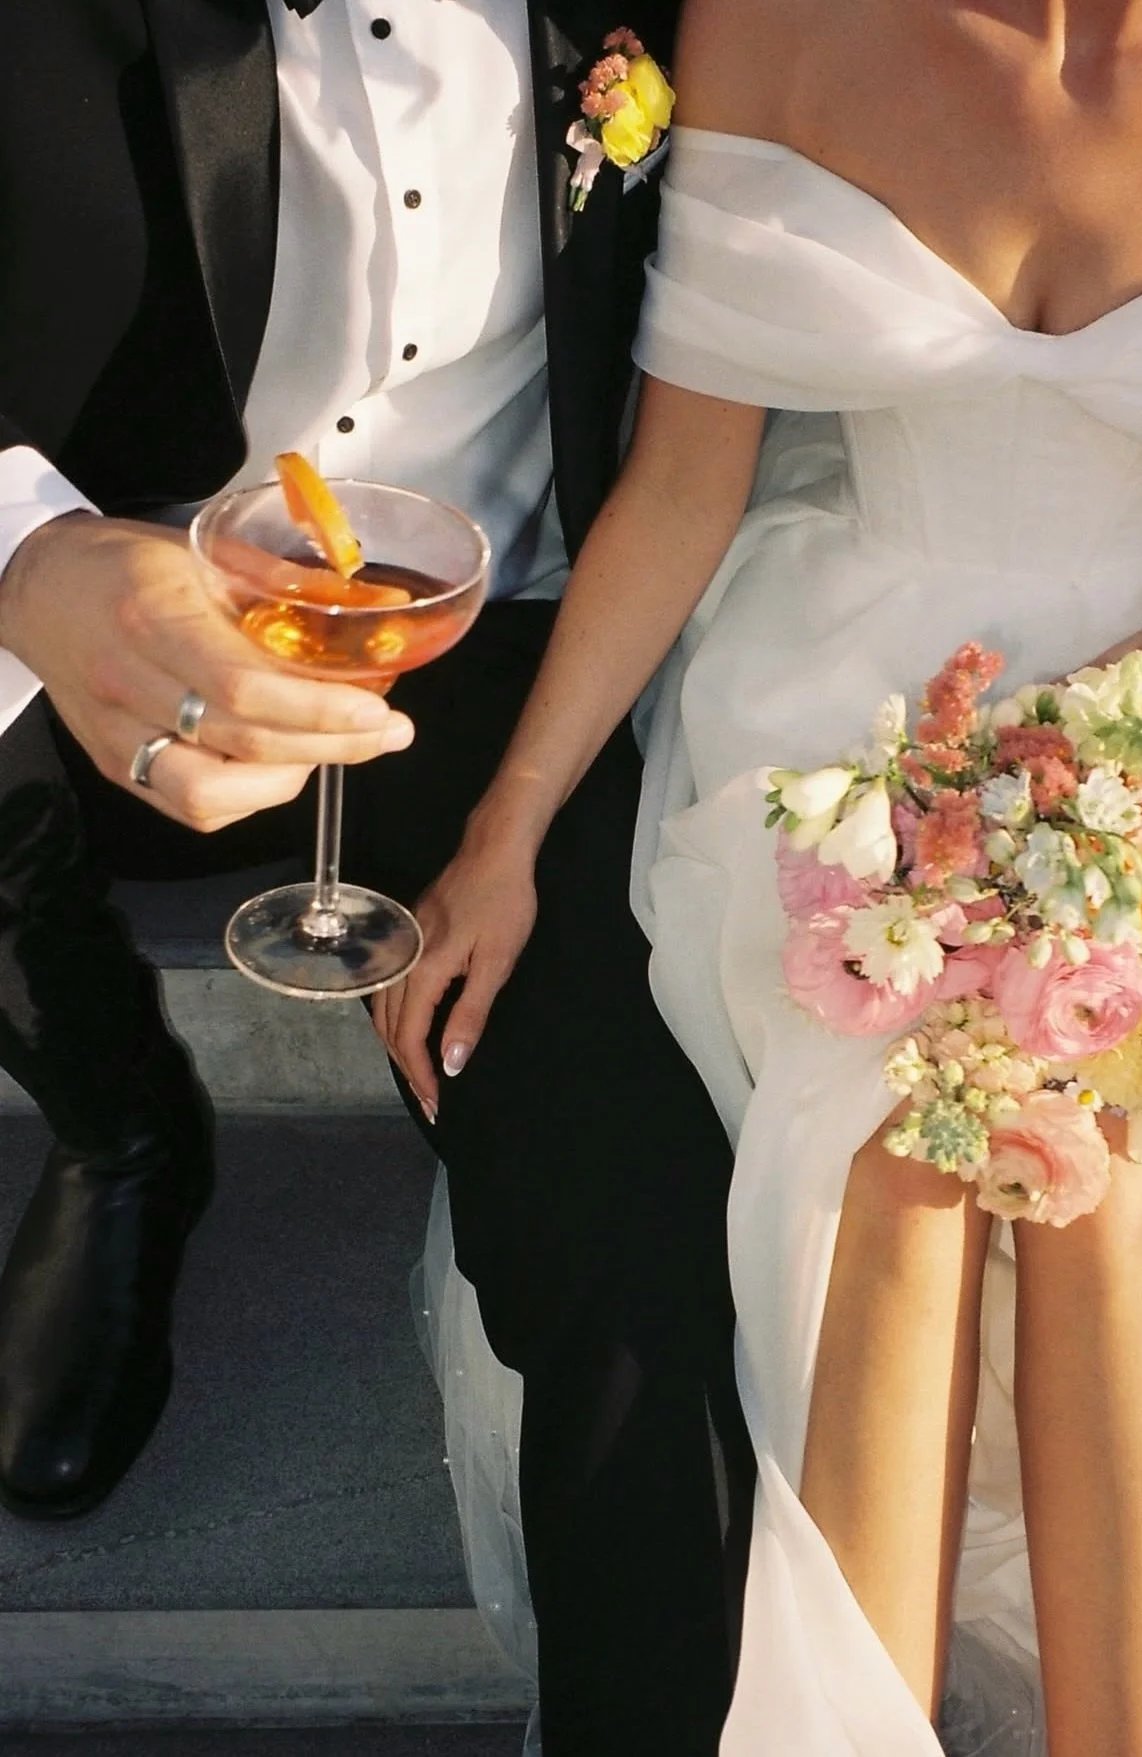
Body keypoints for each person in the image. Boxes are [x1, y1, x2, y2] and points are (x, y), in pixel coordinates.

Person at [377, 0, 1142, 1750]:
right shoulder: (782, 23)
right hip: (832, 698)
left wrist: (1130, 701)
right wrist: (503, 831)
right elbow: (679, 487)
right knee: (896, 1129)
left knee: (1118, 1148)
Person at [0, 6, 752, 1753]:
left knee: (639, 1246)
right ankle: (121, 1129)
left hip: (502, 672)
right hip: (110, 595)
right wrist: (31, 553)